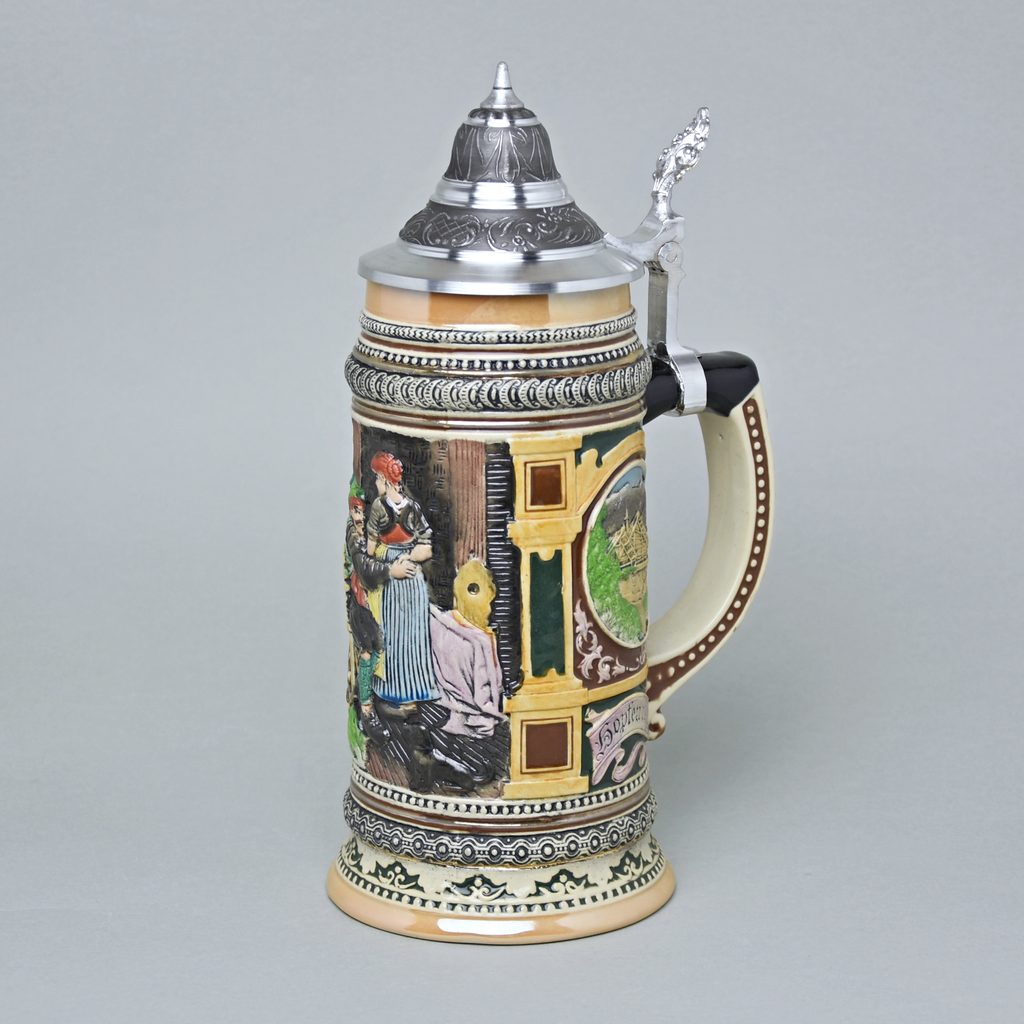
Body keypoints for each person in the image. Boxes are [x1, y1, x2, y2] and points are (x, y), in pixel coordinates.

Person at [365, 451, 440, 704]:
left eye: (377, 478)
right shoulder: (405, 507)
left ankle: (403, 688)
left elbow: (371, 549)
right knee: (404, 632)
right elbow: (425, 547)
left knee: (403, 631)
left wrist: (400, 558)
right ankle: (408, 687)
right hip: (405, 574)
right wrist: (406, 557)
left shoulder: (386, 507)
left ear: (385, 480)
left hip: (400, 574)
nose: (376, 483)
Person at [344, 484, 416, 725]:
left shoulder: (368, 529)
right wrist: (390, 570)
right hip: (360, 605)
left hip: (370, 602)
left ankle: (373, 697)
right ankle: (366, 710)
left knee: (378, 649)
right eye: (355, 511)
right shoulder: (355, 537)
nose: (359, 517)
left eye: (362, 511)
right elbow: (364, 568)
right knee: (367, 653)